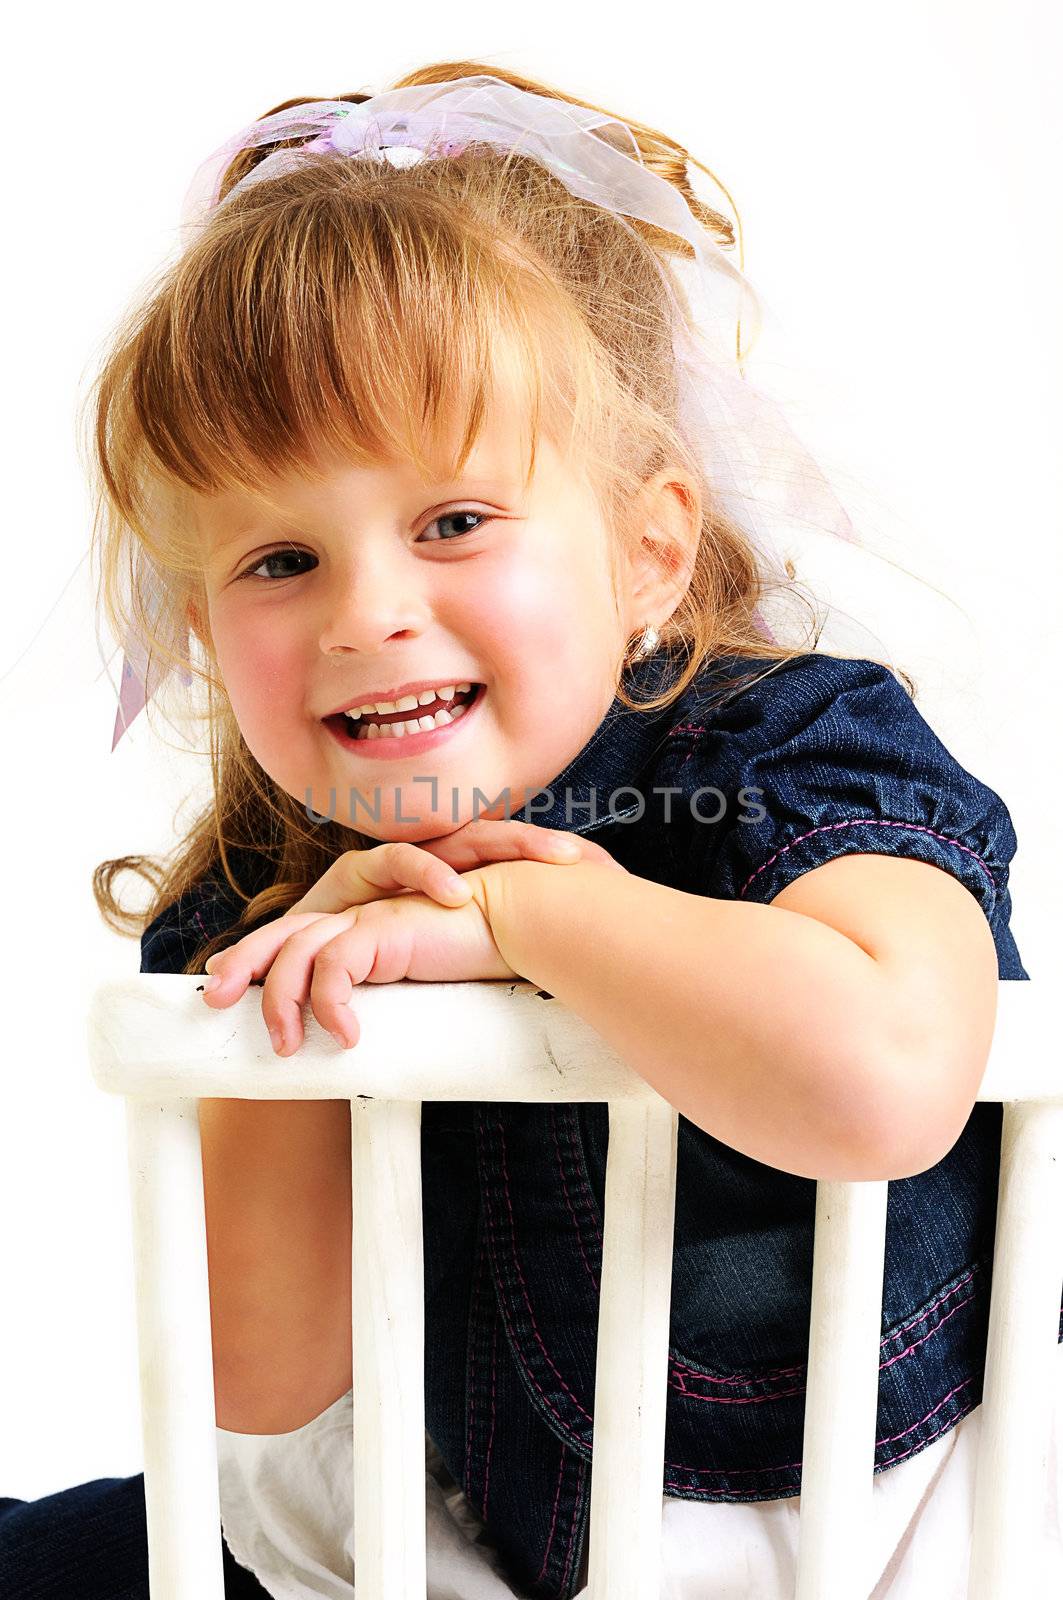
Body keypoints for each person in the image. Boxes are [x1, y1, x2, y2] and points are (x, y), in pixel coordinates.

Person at [2, 58, 1058, 1600]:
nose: (368, 614)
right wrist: (314, 1001)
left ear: (647, 552)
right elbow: (259, 1380)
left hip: (862, 1524)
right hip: (437, 1541)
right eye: (281, 559)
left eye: (454, 523)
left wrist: (524, 919)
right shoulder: (267, 886)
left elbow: (891, 1079)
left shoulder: (791, 748)